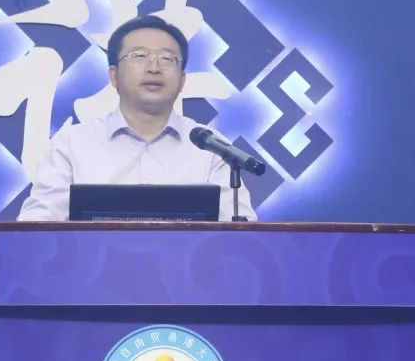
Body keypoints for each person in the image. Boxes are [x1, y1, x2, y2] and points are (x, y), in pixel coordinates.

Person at [17, 15, 257, 221]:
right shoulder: (72, 143)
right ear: (114, 75)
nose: (154, 68)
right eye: (139, 56)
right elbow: (37, 226)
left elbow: (242, 236)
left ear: (182, 80)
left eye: (167, 59)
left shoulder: (211, 148)